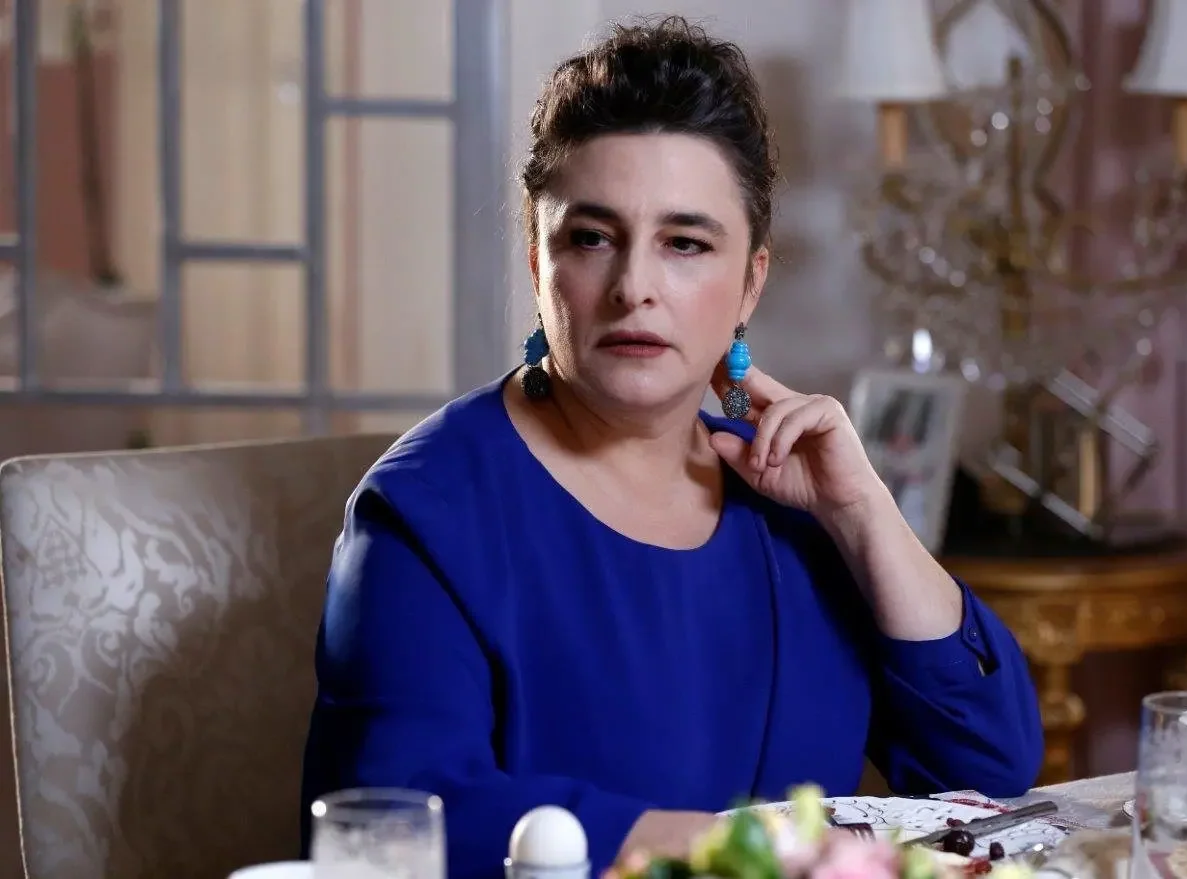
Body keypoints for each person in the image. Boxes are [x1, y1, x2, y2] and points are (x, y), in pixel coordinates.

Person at [300, 16, 1043, 879]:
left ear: (750, 282)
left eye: (684, 243)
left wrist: (864, 513)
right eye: (591, 237)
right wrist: (735, 848)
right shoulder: (425, 511)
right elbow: (393, 823)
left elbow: (989, 772)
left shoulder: (795, 496)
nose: (635, 287)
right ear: (539, 266)